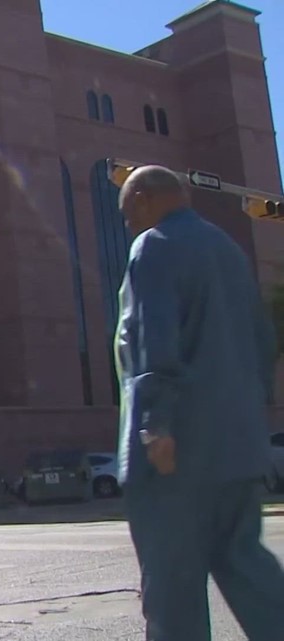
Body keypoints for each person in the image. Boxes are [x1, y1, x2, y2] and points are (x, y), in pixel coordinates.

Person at [115, 165, 284, 641]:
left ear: (146, 198)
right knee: (249, 570)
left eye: (128, 212)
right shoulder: (230, 252)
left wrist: (156, 423)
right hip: (238, 447)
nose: (128, 223)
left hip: (178, 454)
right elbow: (263, 344)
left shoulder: (153, 247)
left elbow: (155, 338)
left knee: (172, 591)